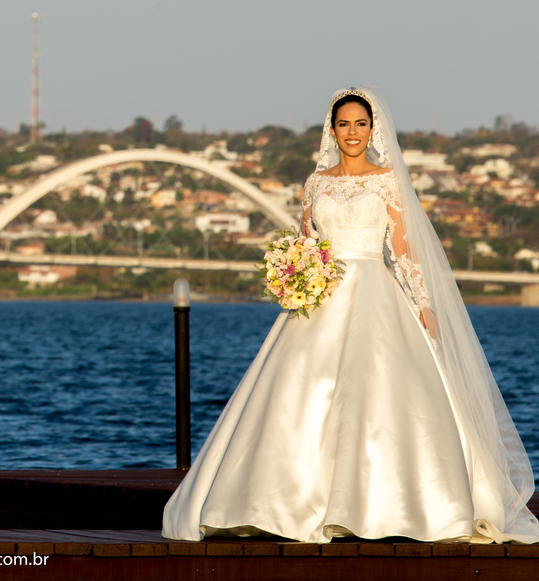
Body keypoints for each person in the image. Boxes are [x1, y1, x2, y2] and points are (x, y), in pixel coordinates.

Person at [162, 87, 539, 543]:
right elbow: (305, 244)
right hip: (320, 298)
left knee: (377, 393)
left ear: (373, 129)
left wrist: (422, 303)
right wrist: (294, 275)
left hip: (375, 295)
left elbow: (401, 250)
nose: (353, 132)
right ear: (332, 130)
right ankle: (275, 502)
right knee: (299, 395)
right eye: (344, 124)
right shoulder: (315, 183)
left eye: (361, 124)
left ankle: (384, 505)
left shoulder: (386, 181)